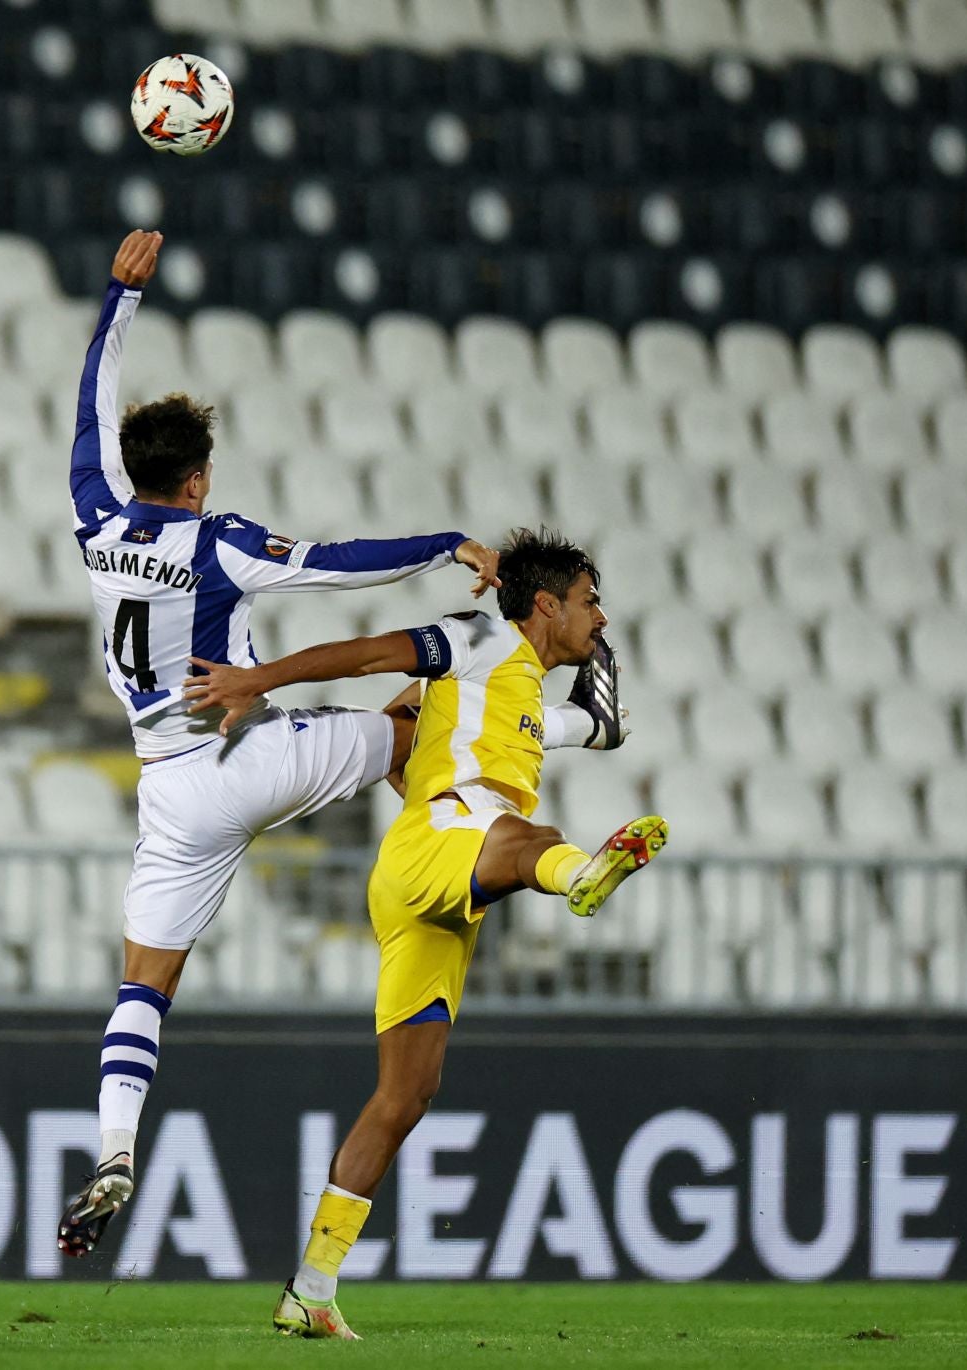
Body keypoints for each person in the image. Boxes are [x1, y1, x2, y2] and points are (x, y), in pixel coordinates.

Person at [55, 233, 623, 1257]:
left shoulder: (94, 516)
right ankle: (519, 790)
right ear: (199, 477)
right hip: (242, 748)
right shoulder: (216, 538)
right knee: (419, 714)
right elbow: (332, 566)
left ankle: (112, 1146)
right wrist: (443, 542)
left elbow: (90, 414)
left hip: (165, 790)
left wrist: (116, 298)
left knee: (145, 983)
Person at [181, 528, 667, 1339]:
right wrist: (256, 680)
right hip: (440, 846)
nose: (600, 617)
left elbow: (573, 725)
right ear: (544, 604)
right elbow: (375, 654)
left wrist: (601, 721)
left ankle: (310, 1290)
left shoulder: (515, 703)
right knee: (527, 836)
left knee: (405, 1097)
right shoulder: (478, 639)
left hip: (429, 889)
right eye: (589, 602)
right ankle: (579, 874)